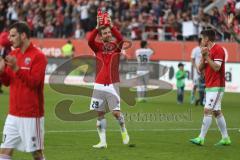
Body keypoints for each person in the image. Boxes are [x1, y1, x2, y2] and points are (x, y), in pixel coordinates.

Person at [0, 22, 47, 160]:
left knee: (37, 154)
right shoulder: (13, 54)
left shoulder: (38, 56)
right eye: (9, 35)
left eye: (13, 35)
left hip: (32, 115)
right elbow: (7, 82)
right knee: (4, 152)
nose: (10, 38)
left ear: (23, 35)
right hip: (13, 114)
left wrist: (16, 69)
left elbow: (34, 83)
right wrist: (2, 72)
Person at [88, 14, 130, 148]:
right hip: (99, 84)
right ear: (100, 36)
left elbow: (121, 38)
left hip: (113, 84)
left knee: (115, 113)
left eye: (108, 33)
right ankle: (103, 142)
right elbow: (89, 40)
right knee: (99, 114)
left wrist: (112, 26)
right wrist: (96, 27)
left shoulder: (116, 47)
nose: (107, 34)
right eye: (104, 33)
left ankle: (123, 129)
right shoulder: (97, 47)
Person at [190, 29, 231, 146]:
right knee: (217, 112)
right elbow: (200, 68)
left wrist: (207, 57)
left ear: (207, 39)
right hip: (210, 84)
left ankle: (201, 138)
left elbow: (217, 68)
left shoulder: (218, 50)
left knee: (207, 110)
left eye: (202, 38)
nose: (201, 41)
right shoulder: (206, 50)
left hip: (217, 85)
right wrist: (204, 56)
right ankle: (226, 138)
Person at [190, 38, 202, 104]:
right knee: (195, 85)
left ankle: (204, 99)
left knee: (205, 86)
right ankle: (192, 97)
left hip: (204, 72)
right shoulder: (195, 50)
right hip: (197, 72)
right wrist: (196, 68)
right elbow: (192, 60)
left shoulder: (206, 49)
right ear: (200, 42)